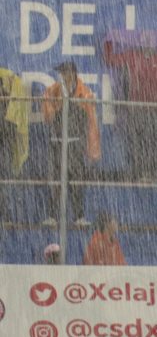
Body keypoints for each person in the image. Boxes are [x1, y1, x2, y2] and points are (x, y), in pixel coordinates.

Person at [101, 32, 157, 180]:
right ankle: (140, 171)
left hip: (152, 110)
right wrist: (109, 41)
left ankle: (150, 171)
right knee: (138, 142)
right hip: (138, 109)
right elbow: (110, 60)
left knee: (152, 141)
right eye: (145, 45)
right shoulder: (136, 55)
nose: (147, 49)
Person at [41, 61, 100, 227]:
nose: (62, 76)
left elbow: (90, 120)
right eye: (61, 73)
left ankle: (79, 216)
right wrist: (57, 107)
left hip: (75, 143)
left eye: (65, 73)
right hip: (57, 142)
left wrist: (90, 145)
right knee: (55, 182)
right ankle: (52, 215)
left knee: (76, 181)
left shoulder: (84, 92)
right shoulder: (53, 90)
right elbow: (48, 116)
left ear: (72, 74)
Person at [0, 67, 30, 224]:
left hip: (5, 141)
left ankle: (4, 214)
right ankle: (5, 214)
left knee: (4, 177)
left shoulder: (10, 105)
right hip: (6, 138)